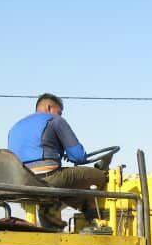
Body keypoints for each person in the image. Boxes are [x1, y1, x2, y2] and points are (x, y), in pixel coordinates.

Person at [7, 93, 111, 229]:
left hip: (20, 182)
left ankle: (55, 212)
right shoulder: (55, 120)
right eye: (59, 112)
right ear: (49, 107)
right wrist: (71, 154)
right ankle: (98, 216)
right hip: (47, 178)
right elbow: (78, 156)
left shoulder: (16, 126)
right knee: (101, 177)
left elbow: (33, 149)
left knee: (67, 186)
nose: (60, 116)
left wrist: (60, 151)